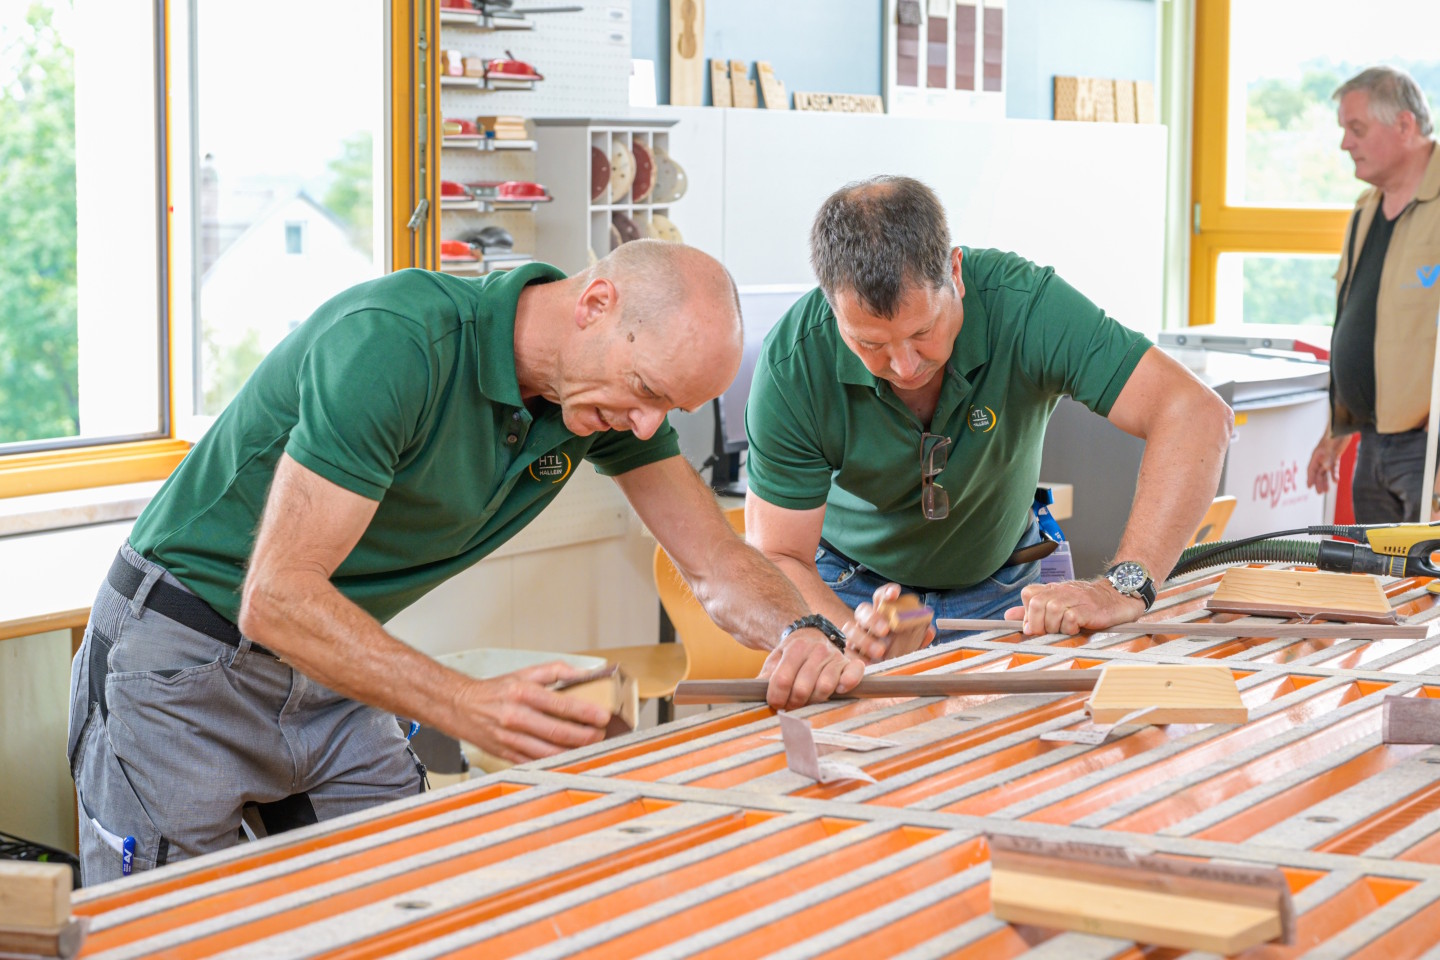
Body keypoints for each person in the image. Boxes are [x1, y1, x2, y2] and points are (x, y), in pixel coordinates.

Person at [68, 240, 863, 885]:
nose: (646, 422)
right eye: (646, 390)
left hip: (329, 665)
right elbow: (275, 597)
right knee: (175, 932)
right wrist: (464, 704)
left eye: (672, 411)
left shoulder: (605, 400)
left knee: (415, 898)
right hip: (183, 659)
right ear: (594, 305)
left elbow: (717, 560)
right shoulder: (394, 343)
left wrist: (806, 630)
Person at [744, 176, 1233, 660]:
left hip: (1003, 592)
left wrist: (1124, 586)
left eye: (924, 331)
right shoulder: (794, 362)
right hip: (844, 591)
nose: (905, 366)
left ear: (955, 273)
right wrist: (854, 639)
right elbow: (779, 555)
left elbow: (1195, 414)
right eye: (870, 345)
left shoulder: (1024, 307)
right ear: (832, 309)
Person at [1306, 66, 1440, 523]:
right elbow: (1360, 323)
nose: (1346, 143)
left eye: (1356, 129)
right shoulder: (1364, 212)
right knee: (1376, 591)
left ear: (1404, 125)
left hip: (1429, 450)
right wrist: (1335, 433)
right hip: (1372, 443)